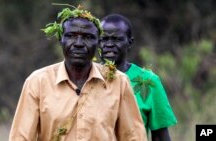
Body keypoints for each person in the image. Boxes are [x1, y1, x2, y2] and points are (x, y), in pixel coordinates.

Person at [9, 5, 147, 141]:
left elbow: (133, 137)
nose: (79, 43)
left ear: (98, 42)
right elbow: (21, 137)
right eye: (71, 36)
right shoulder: (38, 82)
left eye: (87, 37)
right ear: (60, 40)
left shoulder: (118, 82)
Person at [99, 14, 177, 141]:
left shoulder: (148, 81)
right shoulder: (89, 77)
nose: (109, 44)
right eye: (104, 39)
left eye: (116, 39)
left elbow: (160, 136)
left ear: (129, 42)